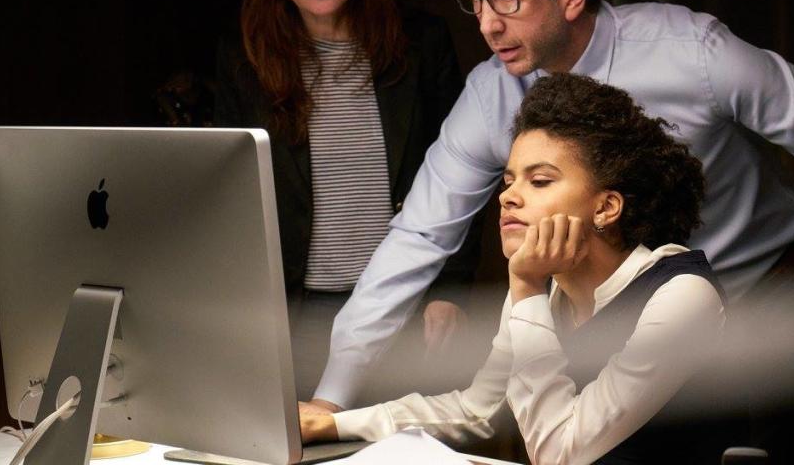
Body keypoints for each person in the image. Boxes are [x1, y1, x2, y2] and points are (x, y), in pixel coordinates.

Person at [303, 0, 794, 416]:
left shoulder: (693, 52)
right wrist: (332, 398)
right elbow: (418, 235)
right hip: (620, 333)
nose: (486, 23)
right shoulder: (490, 96)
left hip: (765, 297)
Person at [302, 73, 740, 465]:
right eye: (509, 180)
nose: (508, 197)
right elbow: (480, 409)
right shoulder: (540, 290)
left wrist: (527, 288)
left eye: (540, 181)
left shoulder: (682, 294)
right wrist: (335, 424)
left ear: (606, 207)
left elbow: (559, 453)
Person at [215, 0, 480, 399]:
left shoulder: (419, 43)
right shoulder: (244, 60)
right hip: (298, 310)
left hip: (405, 301)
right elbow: (231, 195)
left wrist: (450, 291)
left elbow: (464, 172)